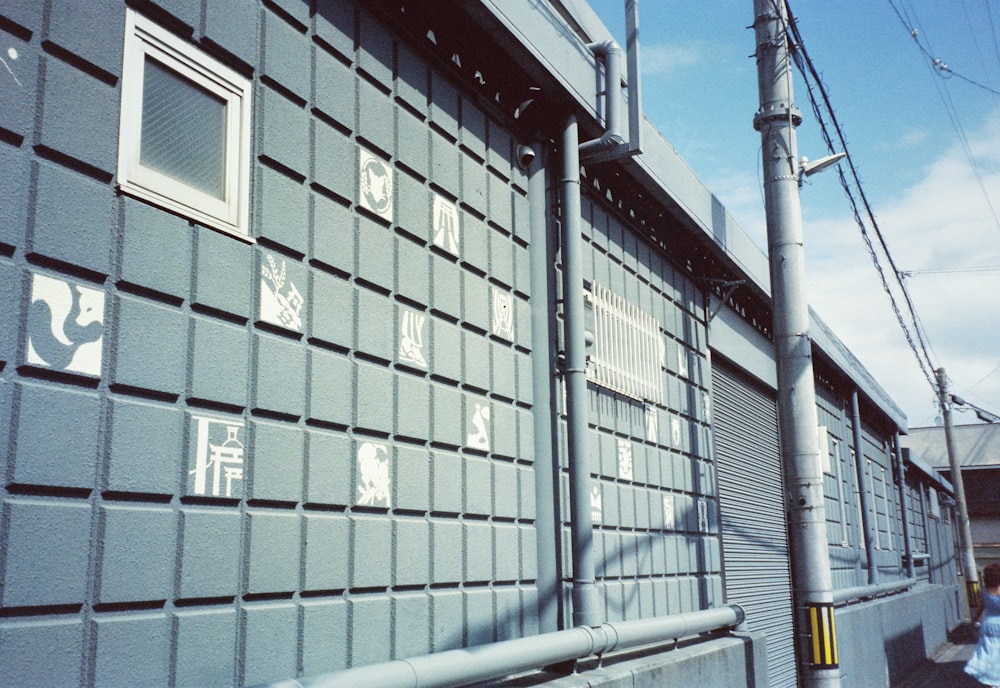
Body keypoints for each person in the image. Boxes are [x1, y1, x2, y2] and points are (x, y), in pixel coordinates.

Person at [966, 564, 1000, 687]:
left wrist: (976, 619)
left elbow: (980, 609)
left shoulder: (984, 591)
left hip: (989, 625)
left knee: (990, 652)